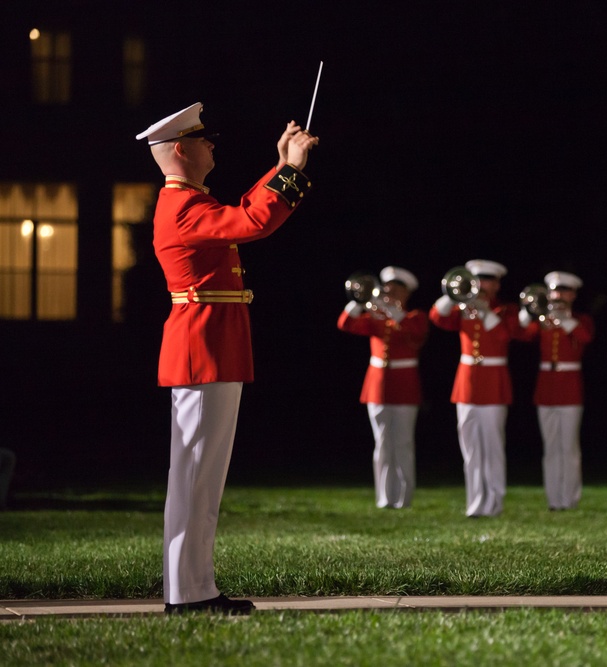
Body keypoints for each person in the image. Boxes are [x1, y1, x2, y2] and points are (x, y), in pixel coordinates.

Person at [136, 102, 318, 614]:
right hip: (202, 349)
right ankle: (186, 594)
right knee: (195, 476)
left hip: (212, 346)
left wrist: (283, 165)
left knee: (201, 478)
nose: (211, 144)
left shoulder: (190, 202)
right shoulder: (184, 207)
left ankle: (194, 589)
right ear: (180, 150)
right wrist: (292, 172)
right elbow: (251, 221)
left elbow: (240, 211)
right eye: (202, 138)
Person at [429, 259, 532, 517]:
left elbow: (504, 335)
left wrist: (484, 310)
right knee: (470, 448)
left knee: (493, 446)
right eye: (476, 279)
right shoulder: (464, 308)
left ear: (496, 284)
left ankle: (494, 502)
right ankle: (475, 503)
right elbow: (437, 316)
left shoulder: (506, 311)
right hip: (467, 383)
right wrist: (454, 296)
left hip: (494, 382)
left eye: (486, 279)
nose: (480, 284)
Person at [337, 266, 427, 509]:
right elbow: (345, 323)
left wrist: (389, 309)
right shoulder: (375, 317)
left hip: (405, 385)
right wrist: (361, 299)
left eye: (396, 290)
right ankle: (384, 497)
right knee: (382, 444)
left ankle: (404, 498)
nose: (390, 294)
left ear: (407, 293)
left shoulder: (414, 316)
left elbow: (415, 333)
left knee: (403, 443)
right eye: (387, 290)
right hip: (377, 385)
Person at [519, 271, 594, 510]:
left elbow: (585, 336)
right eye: (554, 292)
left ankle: (569, 499)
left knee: (569, 447)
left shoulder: (580, 319)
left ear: (572, 295)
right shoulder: (543, 320)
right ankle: (553, 499)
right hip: (546, 386)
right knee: (550, 447)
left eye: (563, 291)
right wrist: (530, 311)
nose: (558, 296)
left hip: (570, 387)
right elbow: (523, 333)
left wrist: (563, 318)